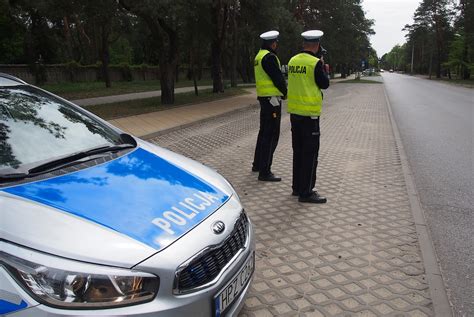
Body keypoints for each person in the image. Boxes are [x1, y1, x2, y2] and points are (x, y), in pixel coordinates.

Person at [287, 30, 330, 203]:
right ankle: (307, 192)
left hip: (295, 115)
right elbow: (324, 84)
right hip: (310, 116)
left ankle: (297, 188)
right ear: (317, 45)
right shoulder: (315, 63)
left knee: (298, 152)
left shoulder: (292, 61)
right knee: (310, 154)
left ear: (304, 44)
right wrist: (324, 68)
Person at [252, 30, 287, 182]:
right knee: (271, 135)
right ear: (272, 43)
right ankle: (265, 171)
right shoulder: (270, 57)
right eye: (276, 42)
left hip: (264, 99)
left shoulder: (259, 56)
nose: (276, 45)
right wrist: (285, 92)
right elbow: (278, 79)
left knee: (263, 133)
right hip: (272, 100)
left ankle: (258, 165)